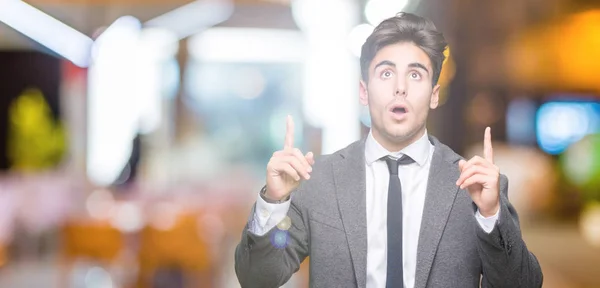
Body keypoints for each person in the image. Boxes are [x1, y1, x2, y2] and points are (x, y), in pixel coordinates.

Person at [234, 12, 543, 288]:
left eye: (415, 74)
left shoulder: (474, 187)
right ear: (364, 91)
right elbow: (257, 278)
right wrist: (274, 203)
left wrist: (490, 214)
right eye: (385, 73)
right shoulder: (320, 181)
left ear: (434, 94)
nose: (400, 87)